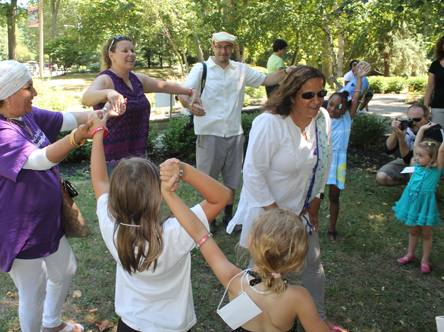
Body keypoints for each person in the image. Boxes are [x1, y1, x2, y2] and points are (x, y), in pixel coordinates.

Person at [0, 60, 106, 332]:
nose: (34, 93)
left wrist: (102, 112)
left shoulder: (25, 116)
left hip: (46, 219)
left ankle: (52, 324)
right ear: (8, 94)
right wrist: (76, 139)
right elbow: (38, 159)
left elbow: (69, 118)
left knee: (65, 270)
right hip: (17, 228)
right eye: (29, 87)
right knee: (33, 293)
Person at [227, 66, 348, 331]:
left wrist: (316, 198)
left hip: (301, 209)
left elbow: (324, 161)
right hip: (268, 209)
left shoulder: (322, 118)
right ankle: (240, 320)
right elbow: (252, 172)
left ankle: (320, 315)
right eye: (308, 95)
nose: (317, 101)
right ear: (292, 95)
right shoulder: (270, 122)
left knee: (312, 261)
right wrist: (274, 216)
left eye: (321, 93)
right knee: (260, 268)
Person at [89, 111, 231, 332]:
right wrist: (183, 169)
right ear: (157, 196)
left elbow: (99, 179)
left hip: (129, 324)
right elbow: (222, 196)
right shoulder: (179, 231)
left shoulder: (112, 227)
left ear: (115, 197)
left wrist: (98, 132)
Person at [160, 159, 330, 332]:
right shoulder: (300, 298)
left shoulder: (234, 281)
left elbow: (198, 231)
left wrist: (168, 193)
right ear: (296, 257)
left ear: (250, 242)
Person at [179, 31, 291, 231]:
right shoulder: (201, 68)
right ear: (212, 47)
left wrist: (288, 71)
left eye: (227, 47)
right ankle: (210, 217)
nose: (223, 51)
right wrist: (190, 105)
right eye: (219, 47)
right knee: (208, 178)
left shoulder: (241, 69)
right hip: (208, 132)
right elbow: (183, 93)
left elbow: (267, 80)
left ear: (233, 48)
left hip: (234, 133)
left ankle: (229, 217)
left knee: (232, 178)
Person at [82, 36, 202, 175]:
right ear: (111, 55)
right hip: (111, 161)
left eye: (132, 50)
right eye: (125, 50)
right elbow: (86, 98)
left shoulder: (137, 79)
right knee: (114, 198)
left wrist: (191, 91)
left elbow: (163, 86)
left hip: (137, 158)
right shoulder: (106, 79)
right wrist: (108, 92)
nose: (131, 54)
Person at [326, 63, 370, 242]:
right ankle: (310, 225)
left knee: (334, 196)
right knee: (315, 195)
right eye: (331, 104)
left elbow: (357, 96)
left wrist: (358, 77)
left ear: (346, 109)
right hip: (323, 158)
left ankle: (332, 229)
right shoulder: (321, 117)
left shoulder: (347, 119)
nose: (333, 109)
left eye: (338, 107)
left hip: (338, 160)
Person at [393, 123, 444, 273]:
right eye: (417, 155)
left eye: (421, 156)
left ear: (432, 158)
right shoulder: (417, 165)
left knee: (427, 233)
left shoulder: (436, 169)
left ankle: (425, 260)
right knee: (414, 231)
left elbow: (441, 151)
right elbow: (416, 147)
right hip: (412, 202)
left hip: (425, 204)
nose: (416, 157)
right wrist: (421, 129)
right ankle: (410, 254)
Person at [376, 104, 444, 186]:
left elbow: (410, 158)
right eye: (410, 120)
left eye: (417, 119)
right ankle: (412, 185)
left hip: (429, 165)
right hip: (408, 162)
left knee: (413, 161)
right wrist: (395, 132)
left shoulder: (434, 131)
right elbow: (388, 149)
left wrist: (401, 139)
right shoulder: (406, 127)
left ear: (426, 119)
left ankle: (419, 187)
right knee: (382, 177)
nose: (413, 123)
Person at [424, 35, 444, 127]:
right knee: (439, 135)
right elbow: (430, 86)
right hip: (438, 107)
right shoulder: (435, 65)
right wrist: (425, 107)